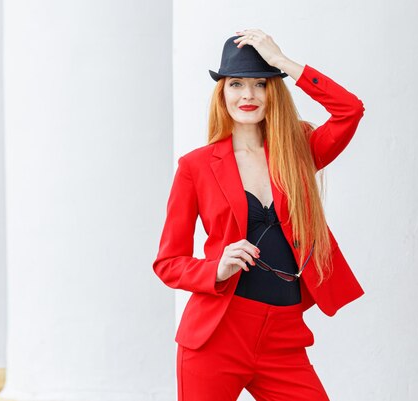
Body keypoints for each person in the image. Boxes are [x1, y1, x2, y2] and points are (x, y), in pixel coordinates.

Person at [152, 28, 366, 401]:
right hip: (217, 334)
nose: (247, 95)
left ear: (273, 91)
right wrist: (215, 268)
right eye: (235, 84)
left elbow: (350, 110)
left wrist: (284, 64)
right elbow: (168, 262)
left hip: (283, 336)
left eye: (261, 84)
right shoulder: (196, 167)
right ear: (222, 93)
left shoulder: (298, 149)